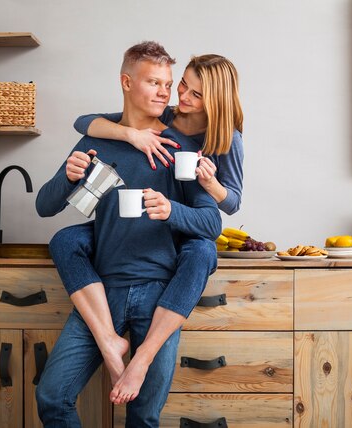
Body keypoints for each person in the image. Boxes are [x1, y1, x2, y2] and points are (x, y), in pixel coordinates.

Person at [34, 41, 222, 427]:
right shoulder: (95, 142)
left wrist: (171, 211)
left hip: (159, 297)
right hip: (101, 292)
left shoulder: (180, 148)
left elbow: (211, 224)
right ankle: (109, 341)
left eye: (168, 84)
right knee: (52, 398)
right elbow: (45, 206)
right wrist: (67, 177)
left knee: (144, 418)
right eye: (153, 82)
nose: (165, 93)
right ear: (126, 82)